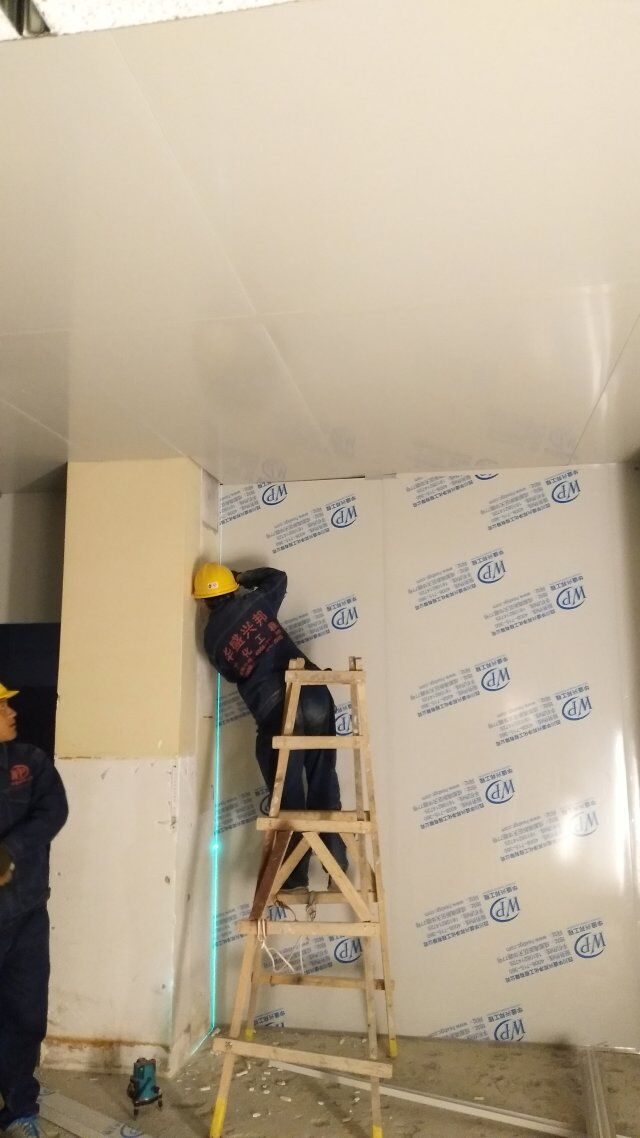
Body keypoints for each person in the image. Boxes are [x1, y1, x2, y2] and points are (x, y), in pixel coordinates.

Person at [194, 564, 347, 890]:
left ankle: (294, 875)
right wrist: (243, 578)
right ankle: (337, 862)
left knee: (287, 794)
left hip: (277, 710)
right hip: (315, 692)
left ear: (203, 601)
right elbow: (278, 578)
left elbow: (231, 673)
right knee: (323, 778)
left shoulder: (211, 640)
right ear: (231, 588)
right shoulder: (256, 603)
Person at [0, 683, 68, 1138]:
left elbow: (53, 810)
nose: (12, 712)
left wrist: (10, 849)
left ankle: (20, 1107)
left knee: (26, 1013)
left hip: (26, 912)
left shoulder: (29, 761)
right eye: (2, 706)